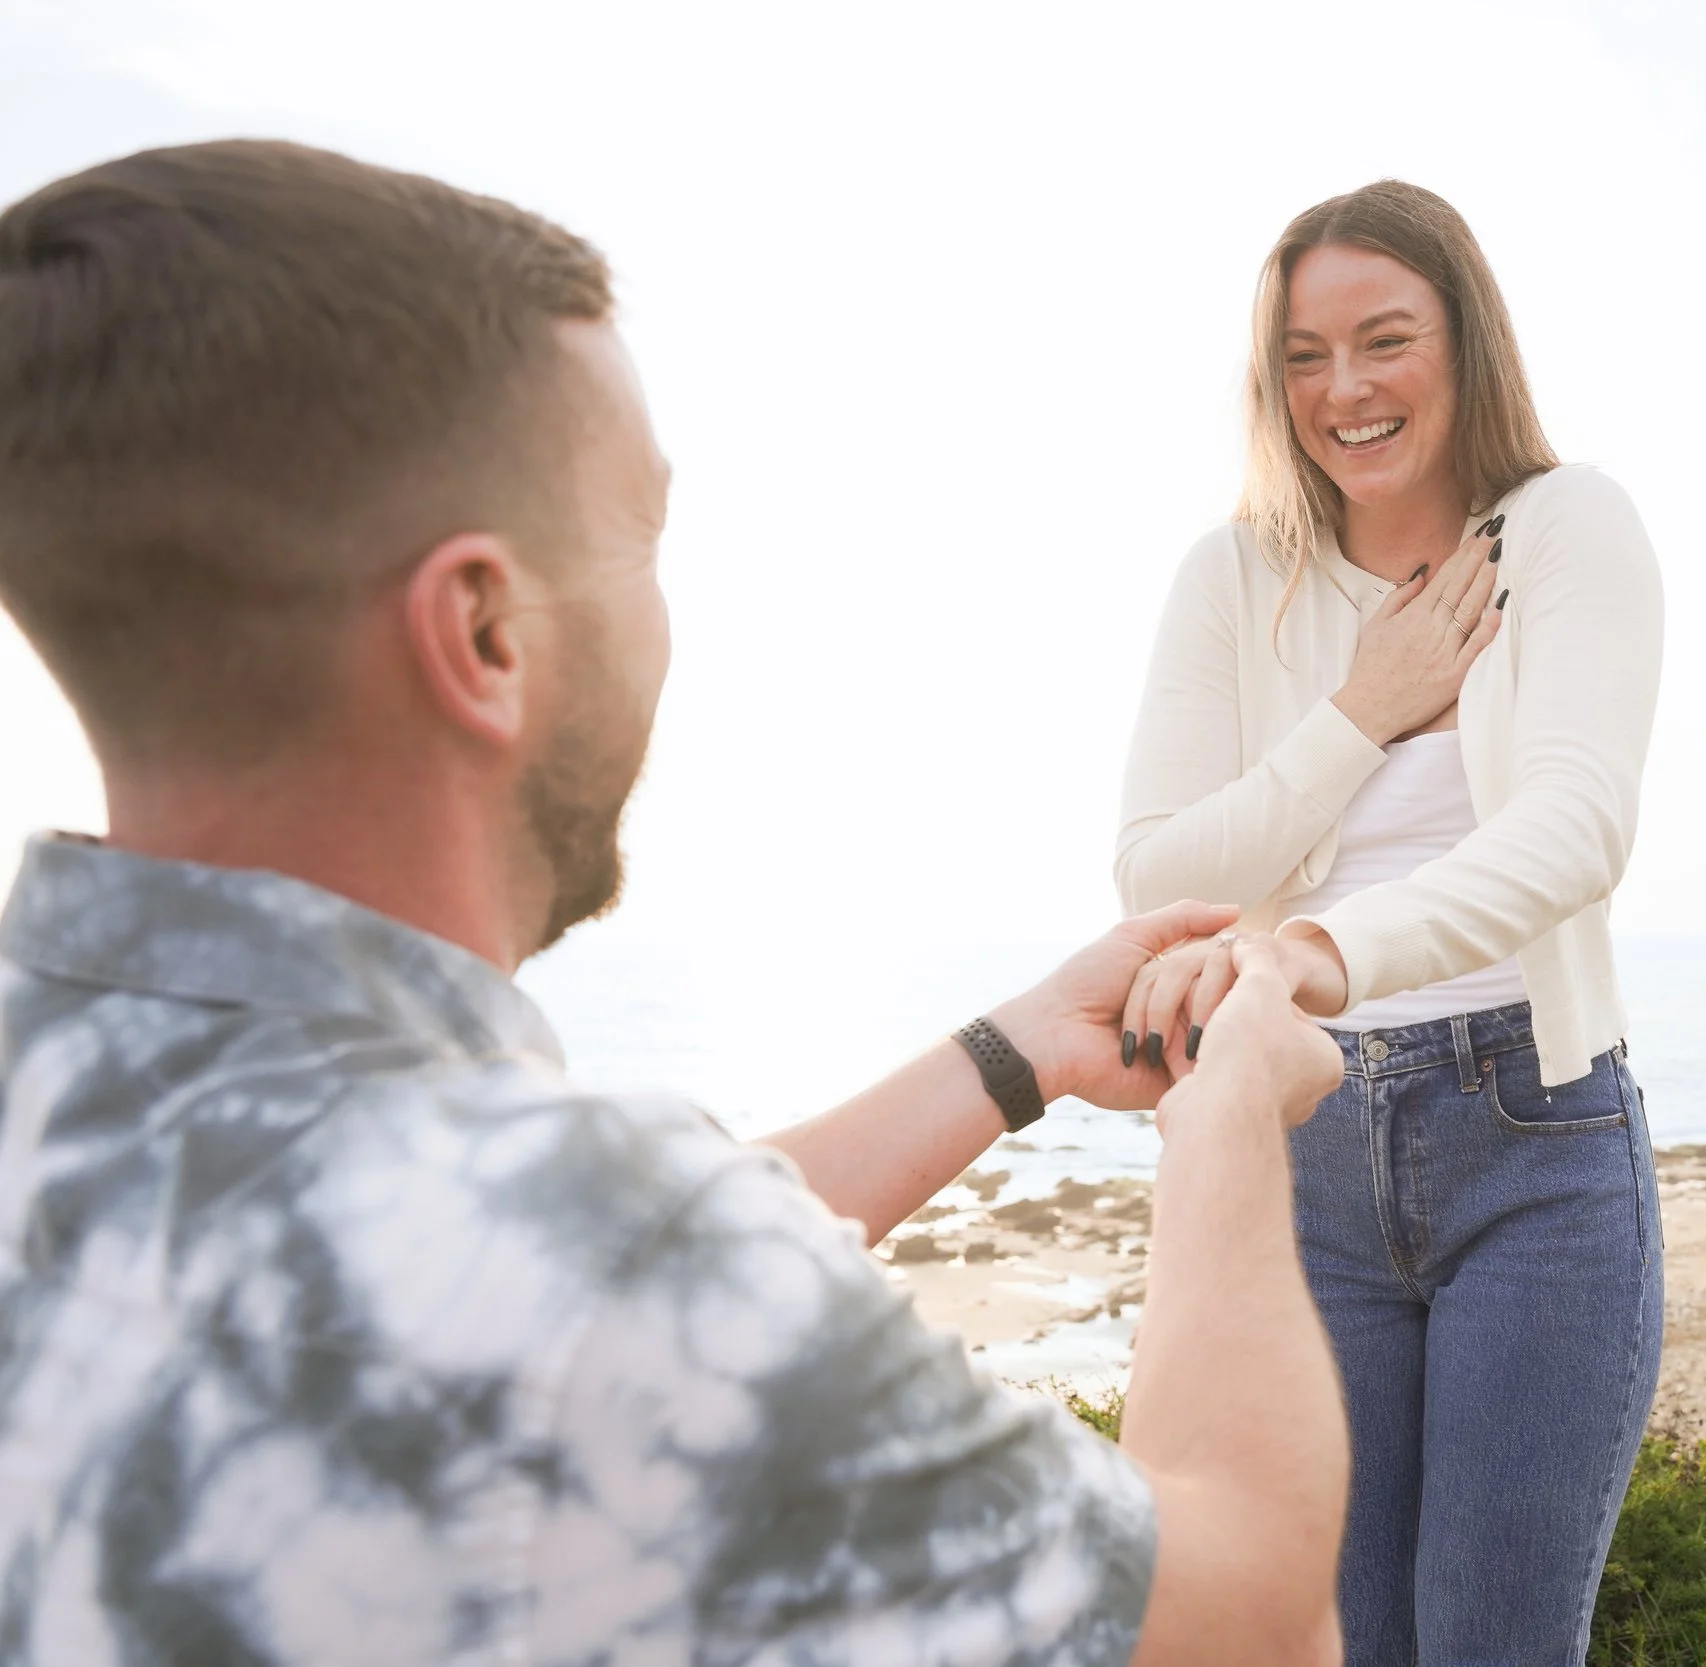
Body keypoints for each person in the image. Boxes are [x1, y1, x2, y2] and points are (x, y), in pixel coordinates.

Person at [0, 140, 1349, 1667]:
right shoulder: (597, 1265)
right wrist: (1227, 1116)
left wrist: (1012, 1053)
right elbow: (1246, 1616)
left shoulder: (117, 1122)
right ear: (487, 630)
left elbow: (490, 1271)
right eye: (641, 535)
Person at [1113, 180, 1667, 1664]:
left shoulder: (1564, 531)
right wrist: (1363, 710)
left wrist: (1318, 950)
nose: (1343, 389)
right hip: (1299, 1152)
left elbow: (1576, 827)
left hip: (1534, 1141)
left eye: (1383, 339)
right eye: (1303, 354)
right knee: (1331, 1642)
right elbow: (1160, 869)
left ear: (1466, 343)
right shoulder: (1232, 578)